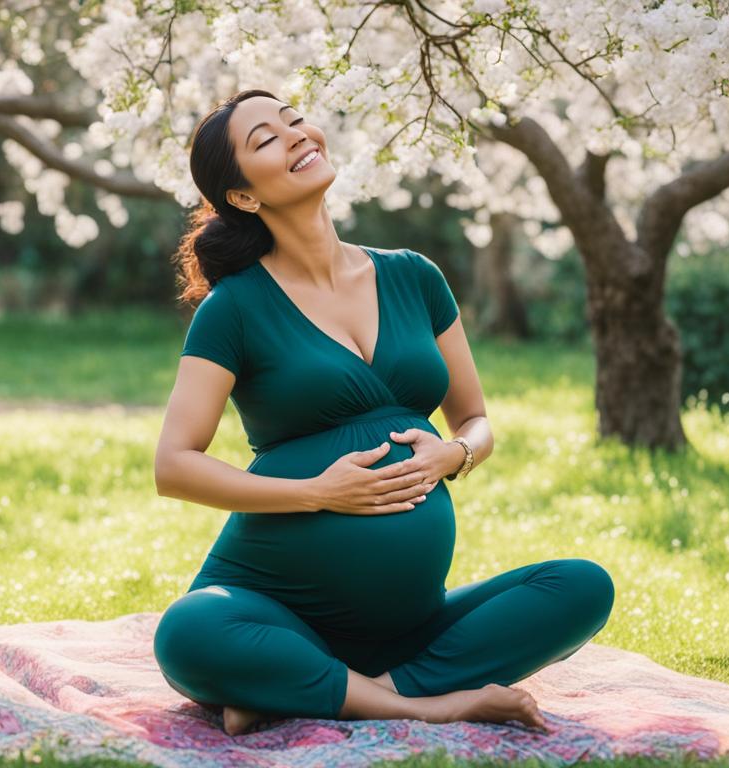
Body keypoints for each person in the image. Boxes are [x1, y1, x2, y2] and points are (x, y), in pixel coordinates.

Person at [151, 89, 615, 737]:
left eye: (293, 119)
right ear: (244, 197)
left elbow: (474, 418)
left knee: (582, 586)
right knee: (188, 631)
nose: (295, 134)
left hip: (411, 627)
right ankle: (426, 703)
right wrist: (317, 493)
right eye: (265, 139)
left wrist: (457, 454)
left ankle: (332, 692)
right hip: (273, 607)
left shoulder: (414, 277)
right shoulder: (233, 309)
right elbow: (174, 466)